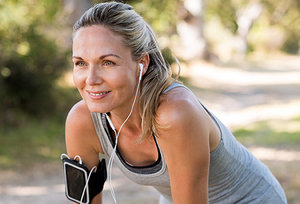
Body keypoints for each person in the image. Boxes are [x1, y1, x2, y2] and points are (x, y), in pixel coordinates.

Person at [65, 2, 287, 204]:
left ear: (141, 63)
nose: (91, 80)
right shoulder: (82, 121)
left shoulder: (174, 114)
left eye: (108, 62)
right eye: (81, 63)